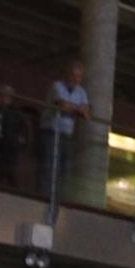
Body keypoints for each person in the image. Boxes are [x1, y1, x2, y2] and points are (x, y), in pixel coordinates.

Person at [42, 58, 90, 194]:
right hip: (51, 131)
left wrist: (72, 108)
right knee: (48, 165)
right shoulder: (56, 86)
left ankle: (60, 196)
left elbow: (86, 113)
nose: (76, 79)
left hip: (67, 134)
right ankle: (44, 194)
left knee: (65, 168)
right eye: (74, 75)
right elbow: (62, 105)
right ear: (67, 74)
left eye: (79, 76)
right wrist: (77, 109)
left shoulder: (81, 92)